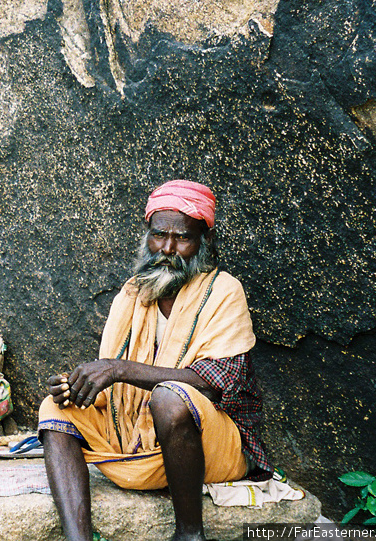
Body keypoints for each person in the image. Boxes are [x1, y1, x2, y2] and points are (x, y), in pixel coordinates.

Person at [39, 180, 272, 541]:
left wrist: (118, 369)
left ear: (203, 242)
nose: (167, 248)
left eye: (182, 238)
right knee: (54, 410)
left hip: (213, 448)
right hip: (135, 440)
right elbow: (109, 394)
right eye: (159, 235)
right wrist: (77, 386)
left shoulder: (225, 291)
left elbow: (215, 382)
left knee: (170, 397)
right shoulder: (133, 293)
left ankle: (190, 534)